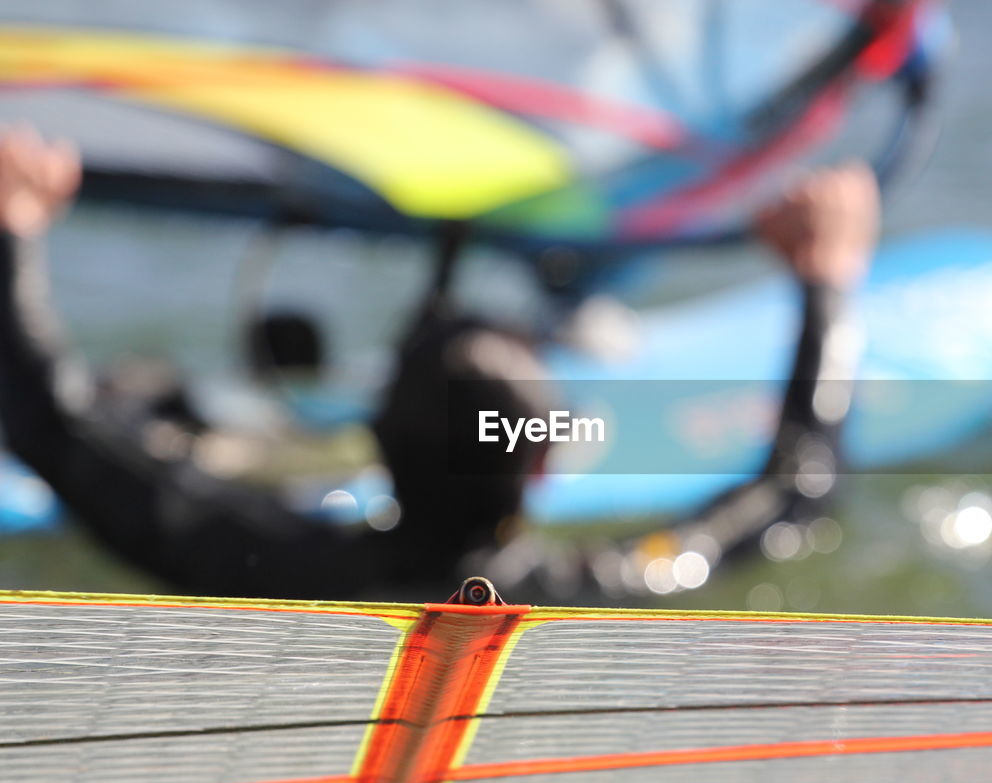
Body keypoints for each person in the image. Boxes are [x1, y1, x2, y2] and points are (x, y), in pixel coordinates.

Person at [0, 124, 879, 601]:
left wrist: (14, 231)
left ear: (375, 438)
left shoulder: (266, 566)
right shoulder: (608, 588)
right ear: (543, 462)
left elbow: (51, 420)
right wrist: (828, 280)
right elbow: (793, 489)